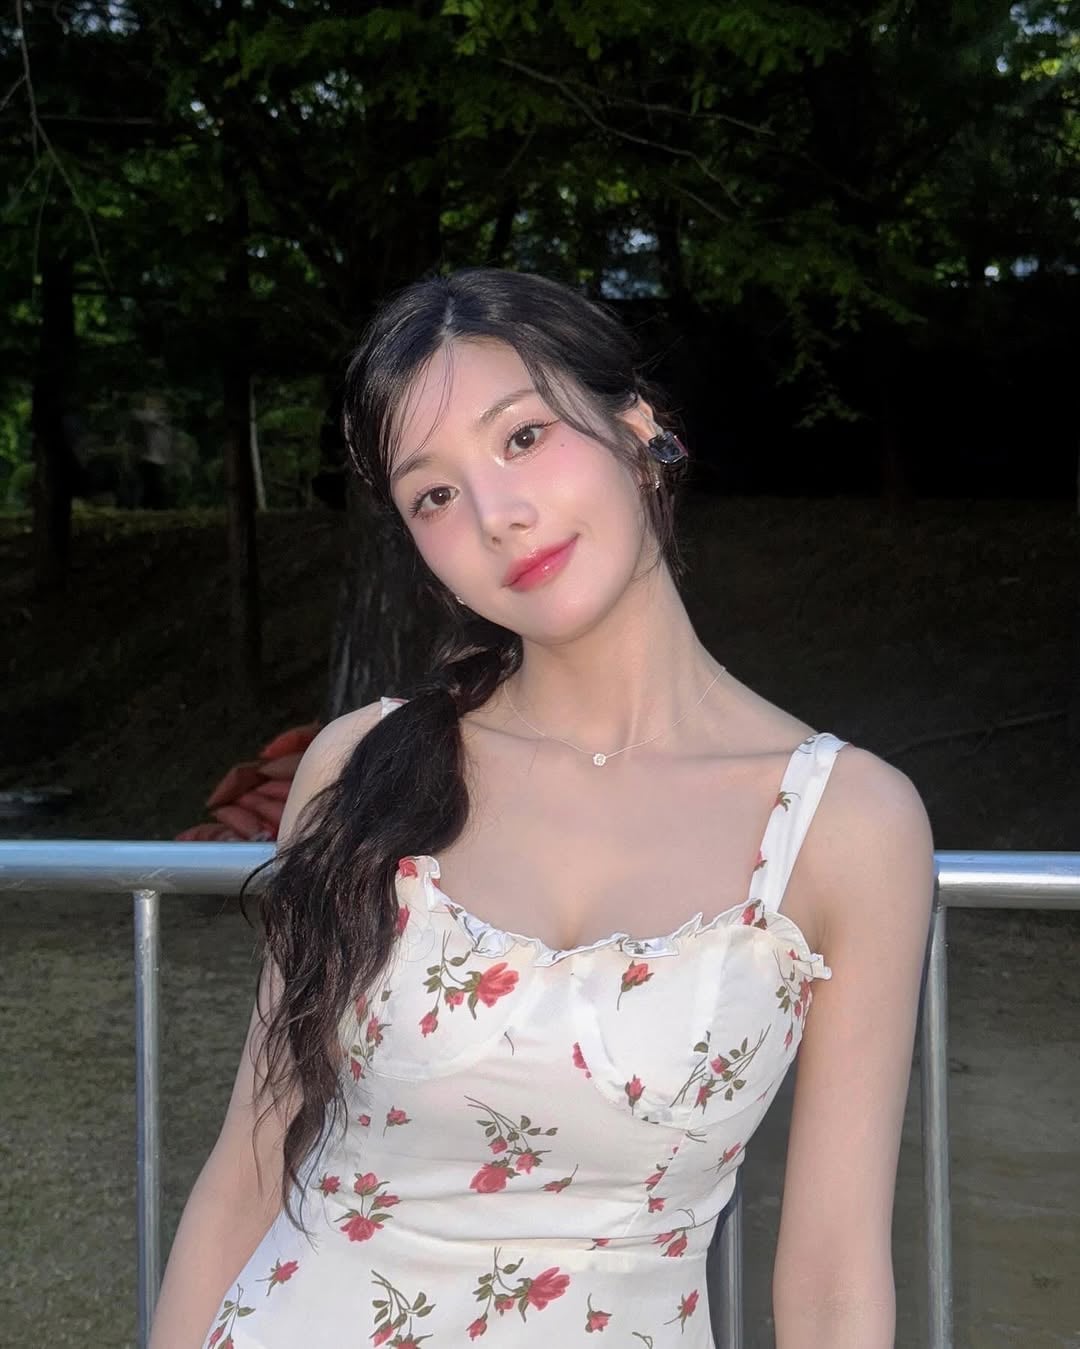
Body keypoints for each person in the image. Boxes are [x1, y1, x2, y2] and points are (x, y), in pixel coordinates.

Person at [150, 268, 934, 1348]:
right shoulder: (360, 769)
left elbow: (836, 1274)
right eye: (434, 494)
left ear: (637, 429)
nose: (498, 516)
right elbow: (249, 1164)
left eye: (523, 437)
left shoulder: (845, 823)